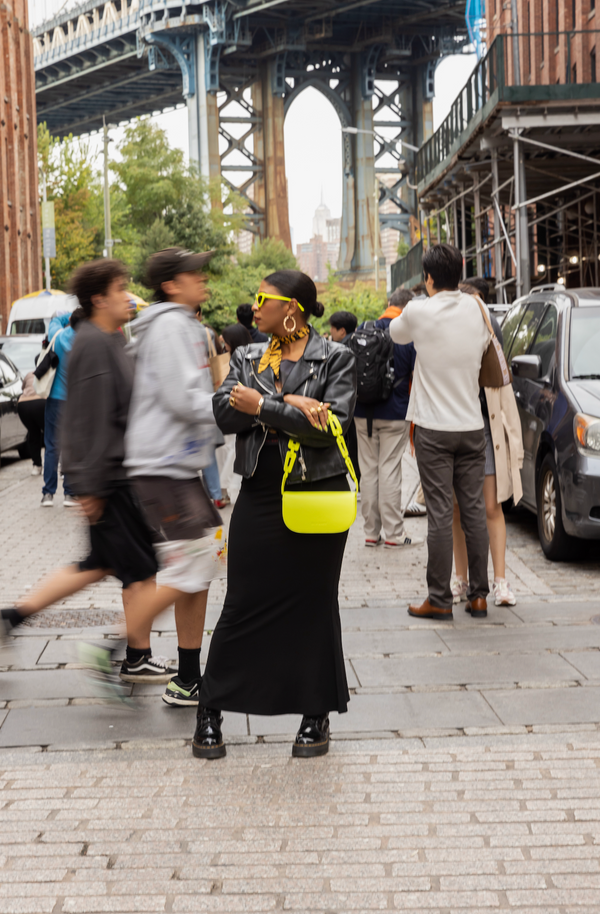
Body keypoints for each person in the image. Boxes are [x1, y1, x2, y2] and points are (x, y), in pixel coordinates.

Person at [193, 269, 357, 760]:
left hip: (316, 496)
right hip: (259, 495)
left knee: (314, 604)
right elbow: (223, 413)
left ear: (292, 309)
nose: (255, 305)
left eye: (263, 298)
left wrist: (261, 404)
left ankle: (315, 715)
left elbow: (332, 427)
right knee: (241, 602)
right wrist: (286, 402)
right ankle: (211, 708)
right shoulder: (245, 355)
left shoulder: (336, 358)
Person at [0, 260, 172, 689]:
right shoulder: (94, 342)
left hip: (111, 476)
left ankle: (12, 619)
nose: (128, 296)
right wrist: (89, 487)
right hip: (108, 479)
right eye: (121, 289)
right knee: (142, 570)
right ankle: (129, 655)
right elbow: (88, 418)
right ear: (100, 298)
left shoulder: (107, 338)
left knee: (99, 565)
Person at [122, 246, 225, 707]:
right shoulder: (168, 327)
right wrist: (237, 409)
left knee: (202, 562)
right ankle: (111, 649)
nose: (202, 279)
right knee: (195, 562)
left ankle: (188, 676)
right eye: (193, 273)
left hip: (177, 464)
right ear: (170, 284)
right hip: (163, 466)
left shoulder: (179, 325)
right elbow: (183, 397)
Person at [390, 244, 490, 620]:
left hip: (433, 428)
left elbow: (397, 335)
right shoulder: (478, 310)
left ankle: (439, 599)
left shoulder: (418, 309)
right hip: (471, 425)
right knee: (474, 511)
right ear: (460, 273)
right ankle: (479, 596)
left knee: (440, 514)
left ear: (428, 278)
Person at [451, 281, 524, 608]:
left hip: (485, 426)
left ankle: (500, 582)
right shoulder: (447, 323)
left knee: (490, 506)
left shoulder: (486, 320)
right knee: (456, 509)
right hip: (453, 425)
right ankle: (462, 579)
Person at [353, 289, 423, 549]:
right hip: (395, 412)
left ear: (389, 304)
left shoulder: (363, 329)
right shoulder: (408, 335)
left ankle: (371, 533)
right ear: (407, 308)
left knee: (369, 471)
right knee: (390, 469)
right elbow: (418, 375)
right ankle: (394, 534)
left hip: (362, 413)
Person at [40, 309, 79, 507]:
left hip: (55, 398)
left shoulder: (58, 334)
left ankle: (48, 494)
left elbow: (55, 319)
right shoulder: (85, 341)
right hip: (75, 401)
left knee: (52, 446)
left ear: (71, 321)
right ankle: (70, 494)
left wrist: (67, 315)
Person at [328, 311, 360, 485]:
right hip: (361, 405)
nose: (330, 332)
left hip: (348, 405)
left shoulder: (341, 350)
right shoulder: (359, 343)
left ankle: (357, 479)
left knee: (351, 445)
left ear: (341, 331)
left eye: (332, 328)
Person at [17, 370, 46, 476]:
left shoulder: (29, 374)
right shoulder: (51, 372)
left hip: (23, 405)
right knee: (50, 434)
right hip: (41, 403)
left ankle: (37, 466)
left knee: (33, 434)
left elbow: (23, 388)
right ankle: (51, 466)